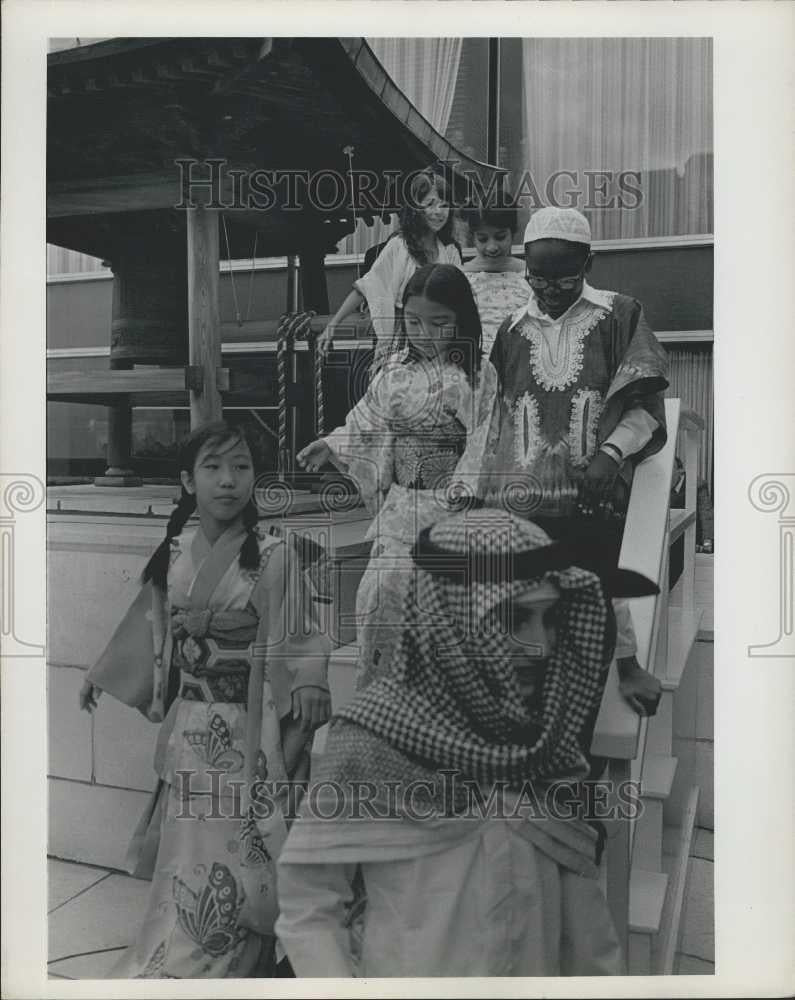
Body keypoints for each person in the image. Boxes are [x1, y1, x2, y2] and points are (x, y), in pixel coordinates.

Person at [275, 508, 659, 977]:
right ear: (449, 624)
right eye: (515, 619)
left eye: (550, 618)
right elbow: (309, 904)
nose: (540, 645)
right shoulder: (372, 743)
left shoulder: (545, 747)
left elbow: (586, 932)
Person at [79, 421, 331, 978]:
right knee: (188, 841)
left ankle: (241, 946)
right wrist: (102, 673)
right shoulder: (173, 554)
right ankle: (180, 935)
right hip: (191, 724)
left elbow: (304, 628)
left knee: (244, 838)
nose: (228, 481)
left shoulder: (273, 554)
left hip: (250, 727)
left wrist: (311, 677)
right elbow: (148, 623)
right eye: (213, 468)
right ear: (188, 481)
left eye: (241, 468)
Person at [453, 206, 667, 715]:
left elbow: (644, 407)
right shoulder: (510, 330)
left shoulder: (620, 315)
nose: (548, 291)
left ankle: (627, 664)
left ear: (588, 263)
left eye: (564, 279)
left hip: (589, 496)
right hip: (522, 500)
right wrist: (473, 487)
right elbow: (493, 417)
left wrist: (610, 455)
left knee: (597, 583)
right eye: (537, 278)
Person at [298, 263, 496, 690]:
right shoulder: (393, 370)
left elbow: (485, 435)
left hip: (452, 510)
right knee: (379, 595)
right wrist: (332, 443)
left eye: (439, 323)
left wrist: (465, 487)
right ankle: (381, 704)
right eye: (414, 322)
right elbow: (367, 419)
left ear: (461, 319)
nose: (424, 333)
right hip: (402, 505)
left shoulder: (480, 375)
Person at [317, 170, 463, 370]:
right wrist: (332, 326)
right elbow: (368, 286)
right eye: (430, 204)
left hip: (441, 342)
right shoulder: (399, 246)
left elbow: (461, 299)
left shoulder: (450, 251)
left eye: (444, 205)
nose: (438, 212)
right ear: (415, 207)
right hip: (401, 342)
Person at [460, 198, 531, 357]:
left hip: (519, 357)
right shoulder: (462, 277)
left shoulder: (528, 274)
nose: (492, 247)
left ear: (513, 233)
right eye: (483, 239)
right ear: (473, 238)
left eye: (500, 237)